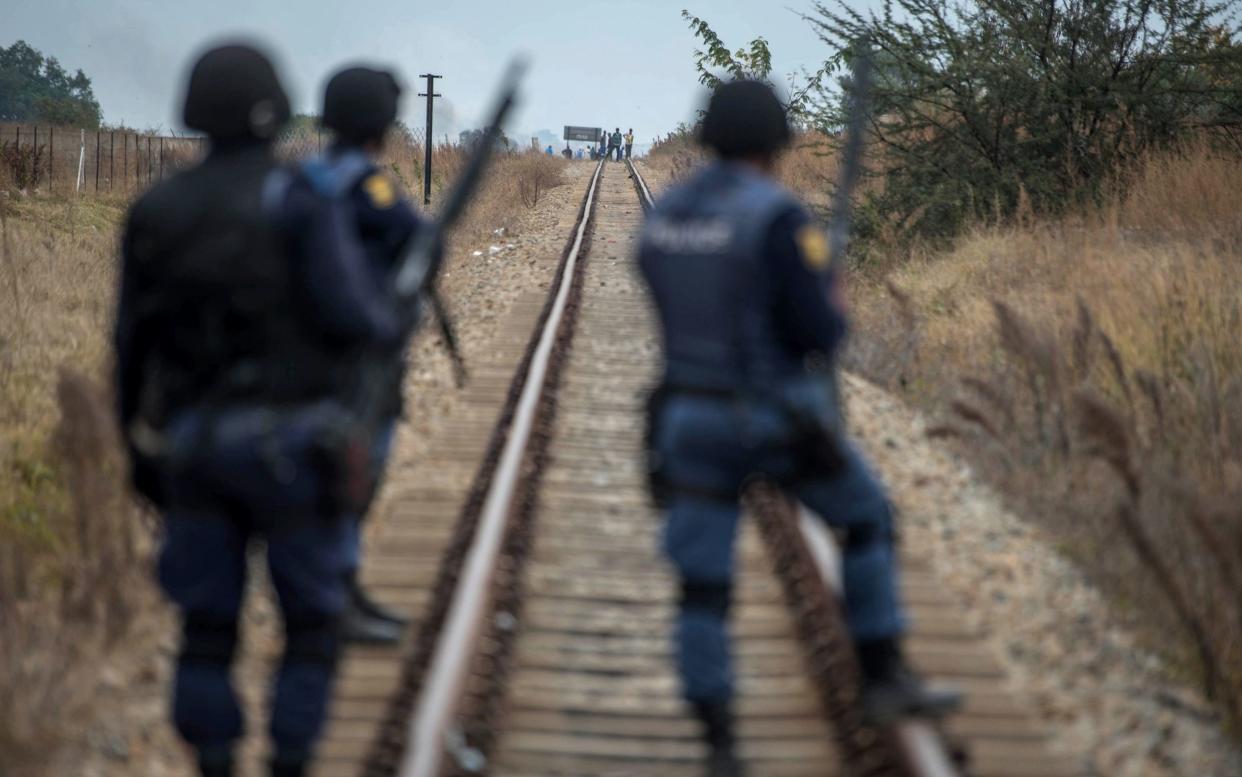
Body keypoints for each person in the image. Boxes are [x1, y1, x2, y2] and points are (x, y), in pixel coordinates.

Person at [637, 80, 960, 777]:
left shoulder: (667, 216)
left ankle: (719, 741)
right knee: (867, 516)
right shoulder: (779, 217)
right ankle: (880, 675)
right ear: (777, 143)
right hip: (771, 420)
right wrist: (831, 293)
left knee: (702, 585)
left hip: (689, 419)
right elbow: (819, 332)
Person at [115, 44, 406, 777]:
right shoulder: (301, 197)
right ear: (277, 107)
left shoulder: (155, 210)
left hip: (193, 448)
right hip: (294, 449)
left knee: (207, 629)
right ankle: (290, 758)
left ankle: (214, 757)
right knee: (311, 624)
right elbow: (353, 318)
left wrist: (141, 454)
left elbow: (129, 350)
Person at [303, 64, 429, 645]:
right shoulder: (368, 185)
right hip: (359, 355)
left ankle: (338, 589)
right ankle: (334, 593)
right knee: (355, 475)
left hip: (306, 352)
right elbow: (419, 237)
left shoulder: (304, 178)